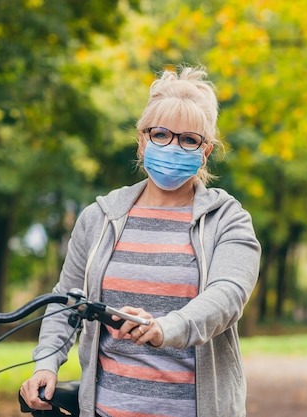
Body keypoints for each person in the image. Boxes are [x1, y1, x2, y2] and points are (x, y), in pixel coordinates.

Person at [20, 65, 261, 417]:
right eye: (161, 134)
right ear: (142, 139)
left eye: (189, 139)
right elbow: (66, 300)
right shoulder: (100, 217)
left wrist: (165, 327)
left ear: (204, 152)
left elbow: (227, 297)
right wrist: (46, 363)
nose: (173, 146)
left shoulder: (228, 219)